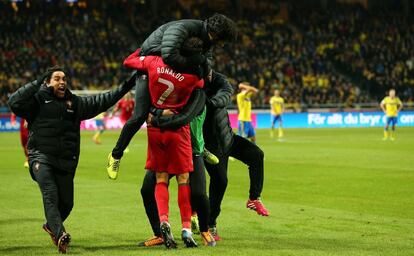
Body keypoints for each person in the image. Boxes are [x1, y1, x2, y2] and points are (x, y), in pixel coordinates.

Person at [8, 66, 137, 253]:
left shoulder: (74, 103)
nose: (62, 82)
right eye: (57, 79)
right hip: (41, 158)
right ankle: (61, 234)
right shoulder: (36, 101)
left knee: (67, 203)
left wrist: (127, 85)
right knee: (50, 193)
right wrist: (36, 82)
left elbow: (103, 100)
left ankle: (51, 225)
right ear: (47, 82)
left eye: (64, 79)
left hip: (66, 162)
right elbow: (14, 101)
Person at [144, 70, 269, 243]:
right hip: (196, 146)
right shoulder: (186, 83)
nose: (208, 74)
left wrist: (206, 103)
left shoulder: (218, 81)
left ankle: (252, 199)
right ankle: (164, 232)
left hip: (225, 140)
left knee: (255, 155)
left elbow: (226, 95)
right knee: (150, 187)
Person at [107, 13, 237, 177]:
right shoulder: (182, 28)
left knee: (195, 105)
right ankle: (115, 155)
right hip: (149, 67)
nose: (223, 45)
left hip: (170, 69)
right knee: (139, 115)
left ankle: (199, 146)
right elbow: (169, 57)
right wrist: (198, 65)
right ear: (217, 34)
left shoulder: (206, 38)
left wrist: (205, 68)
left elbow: (206, 58)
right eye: (224, 41)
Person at [122, 43, 205, 248]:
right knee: (183, 179)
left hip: (154, 129)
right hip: (178, 129)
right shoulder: (192, 75)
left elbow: (128, 61)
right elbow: (204, 84)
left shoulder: (153, 62)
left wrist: (145, 48)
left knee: (161, 178)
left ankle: (164, 221)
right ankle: (186, 228)